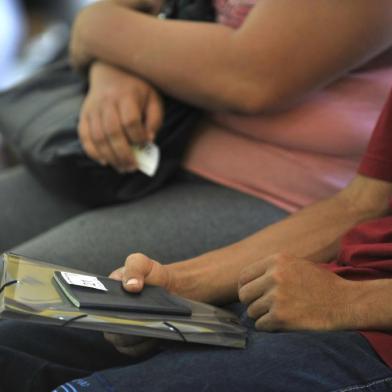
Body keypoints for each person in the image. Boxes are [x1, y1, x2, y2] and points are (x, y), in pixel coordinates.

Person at [1, 0, 392, 390]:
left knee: (20, 310)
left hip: (274, 193)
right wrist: (178, 282)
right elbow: (360, 204)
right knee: (12, 334)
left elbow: (251, 75)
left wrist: (94, 26)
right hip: (154, 154)